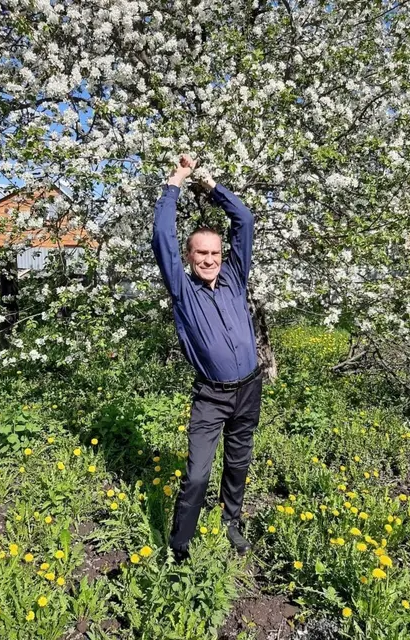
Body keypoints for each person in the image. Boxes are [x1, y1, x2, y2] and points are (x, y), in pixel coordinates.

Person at [151, 153, 263, 562]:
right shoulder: (182, 290)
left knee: (239, 460)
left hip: (249, 388)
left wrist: (212, 187)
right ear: (189, 256)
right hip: (211, 396)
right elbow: (162, 236)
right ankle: (180, 544)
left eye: (215, 252)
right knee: (197, 473)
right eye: (201, 253)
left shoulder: (234, 276)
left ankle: (231, 522)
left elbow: (244, 220)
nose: (210, 260)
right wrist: (177, 180)